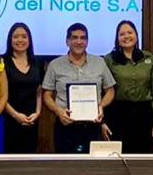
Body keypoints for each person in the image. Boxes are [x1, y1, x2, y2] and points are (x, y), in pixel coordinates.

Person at [43, 23, 116, 154]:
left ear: (87, 41)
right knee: (66, 169)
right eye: (74, 37)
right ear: (67, 41)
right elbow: (46, 95)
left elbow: (110, 90)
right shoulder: (55, 65)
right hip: (65, 125)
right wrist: (59, 111)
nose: (79, 41)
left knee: (93, 169)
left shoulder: (99, 62)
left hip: (93, 126)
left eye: (83, 38)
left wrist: (101, 106)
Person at [102, 20, 153, 153]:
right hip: (118, 115)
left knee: (143, 159)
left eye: (130, 32)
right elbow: (103, 92)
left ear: (136, 36)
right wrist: (103, 122)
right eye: (122, 34)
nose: (126, 36)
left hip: (144, 115)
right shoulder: (109, 60)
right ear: (117, 39)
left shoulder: (149, 58)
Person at [3, 23, 45, 154]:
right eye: (16, 37)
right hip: (8, 119)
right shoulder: (2, 62)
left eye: (24, 36)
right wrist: (15, 115)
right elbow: (0, 94)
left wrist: (37, 113)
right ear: (10, 40)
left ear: (29, 40)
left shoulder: (37, 62)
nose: (20, 40)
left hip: (31, 119)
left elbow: (39, 91)